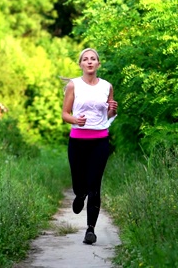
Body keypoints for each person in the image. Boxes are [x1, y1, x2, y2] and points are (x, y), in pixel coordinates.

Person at [61, 48, 118, 245]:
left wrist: (111, 110)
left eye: (93, 59)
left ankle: (90, 230)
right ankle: (79, 194)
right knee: (79, 183)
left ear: (98, 64)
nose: (90, 62)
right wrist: (76, 119)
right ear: (81, 64)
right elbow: (65, 114)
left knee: (95, 185)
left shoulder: (107, 86)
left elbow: (108, 116)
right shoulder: (73, 85)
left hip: (100, 141)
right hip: (77, 141)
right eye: (86, 59)